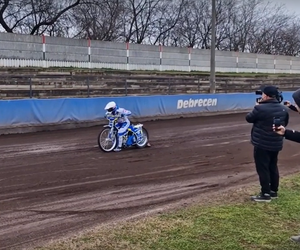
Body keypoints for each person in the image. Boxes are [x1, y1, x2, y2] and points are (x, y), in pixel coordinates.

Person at [245, 85, 289, 202]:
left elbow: (249, 118)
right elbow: (285, 123)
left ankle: (265, 193)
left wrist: (256, 106)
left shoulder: (260, 108)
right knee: (273, 166)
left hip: (261, 143)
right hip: (276, 143)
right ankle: (273, 191)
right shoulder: (283, 109)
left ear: (265, 95)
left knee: (263, 168)